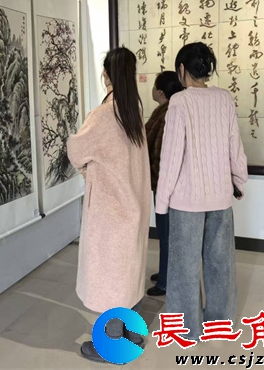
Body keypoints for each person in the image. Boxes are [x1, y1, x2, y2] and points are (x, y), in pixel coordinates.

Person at [155, 42, 248, 340]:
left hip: (187, 201)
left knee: (184, 268)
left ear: (182, 69)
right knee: (220, 264)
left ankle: (187, 329)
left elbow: (171, 157)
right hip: (220, 197)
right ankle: (220, 323)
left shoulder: (179, 102)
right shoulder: (224, 98)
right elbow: (235, 146)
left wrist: (161, 202)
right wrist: (238, 180)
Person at [67, 47, 151, 363]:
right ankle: (129, 333)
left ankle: (113, 344)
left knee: (111, 275)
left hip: (110, 210)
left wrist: (87, 168)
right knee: (128, 272)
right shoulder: (133, 111)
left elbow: (76, 150)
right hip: (133, 206)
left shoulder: (104, 114)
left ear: (106, 74)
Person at [145, 71, 183, 297]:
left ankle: (166, 281)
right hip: (170, 184)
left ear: (160, 92)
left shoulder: (166, 113)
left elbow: (156, 150)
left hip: (164, 184)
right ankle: (165, 272)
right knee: (167, 232)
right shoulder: (173, 109)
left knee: (166, 233)